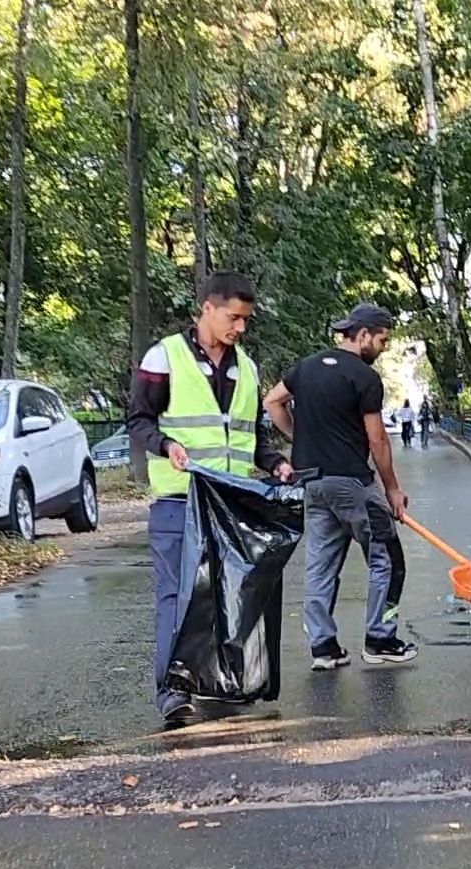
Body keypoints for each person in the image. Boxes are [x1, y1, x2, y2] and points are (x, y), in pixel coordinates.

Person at [128, 271, 294, 728]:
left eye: (245, 321)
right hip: (180, 501)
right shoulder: (164, 357)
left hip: (231, 504)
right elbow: (139, 421)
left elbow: (251, 436)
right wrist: (165, 446)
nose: (240, 328)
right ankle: (171, 692)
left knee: (226, 596)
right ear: (207, 308)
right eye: (233, 318)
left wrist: (274, 462)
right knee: (178, 597)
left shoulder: (247, 368)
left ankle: (220, 683)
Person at [263, 301, 416, 670]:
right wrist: (392, 488)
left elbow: (272, 401)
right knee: (388, 559)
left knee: (321, 563)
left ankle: (324, 646)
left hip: (312, 483)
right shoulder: (364, 378)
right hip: (352, 484)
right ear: (363, 335)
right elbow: (377, 439)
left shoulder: (307, 368)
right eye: (382, 340)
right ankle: (380, 638)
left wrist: (300, 439)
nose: (382, 348)